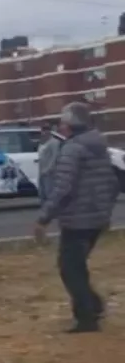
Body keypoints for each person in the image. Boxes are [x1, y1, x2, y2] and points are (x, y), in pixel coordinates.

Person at [35, 101, 118, 333]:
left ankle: (87, 317)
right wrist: (104, 212)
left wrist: (43, 218)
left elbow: (63, 188)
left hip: (77, 219)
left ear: (70, 125)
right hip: (96, 219)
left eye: (62, 121)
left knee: (69, 268)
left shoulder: (72, 149)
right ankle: (93, 305)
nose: (60, 126)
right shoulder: (99, 146)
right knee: (76, 265)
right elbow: (112, 183)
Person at [37, 123, 61, 204]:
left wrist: (49, 169)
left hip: (50, 172)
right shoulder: (42, 142)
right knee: (42, 192)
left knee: (49, 192)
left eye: (46, 130)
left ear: (50, 131)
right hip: (41, 171)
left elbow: (55, 157)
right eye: (43, 130)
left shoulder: (54, 142)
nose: (44, 132)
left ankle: (51, 207)